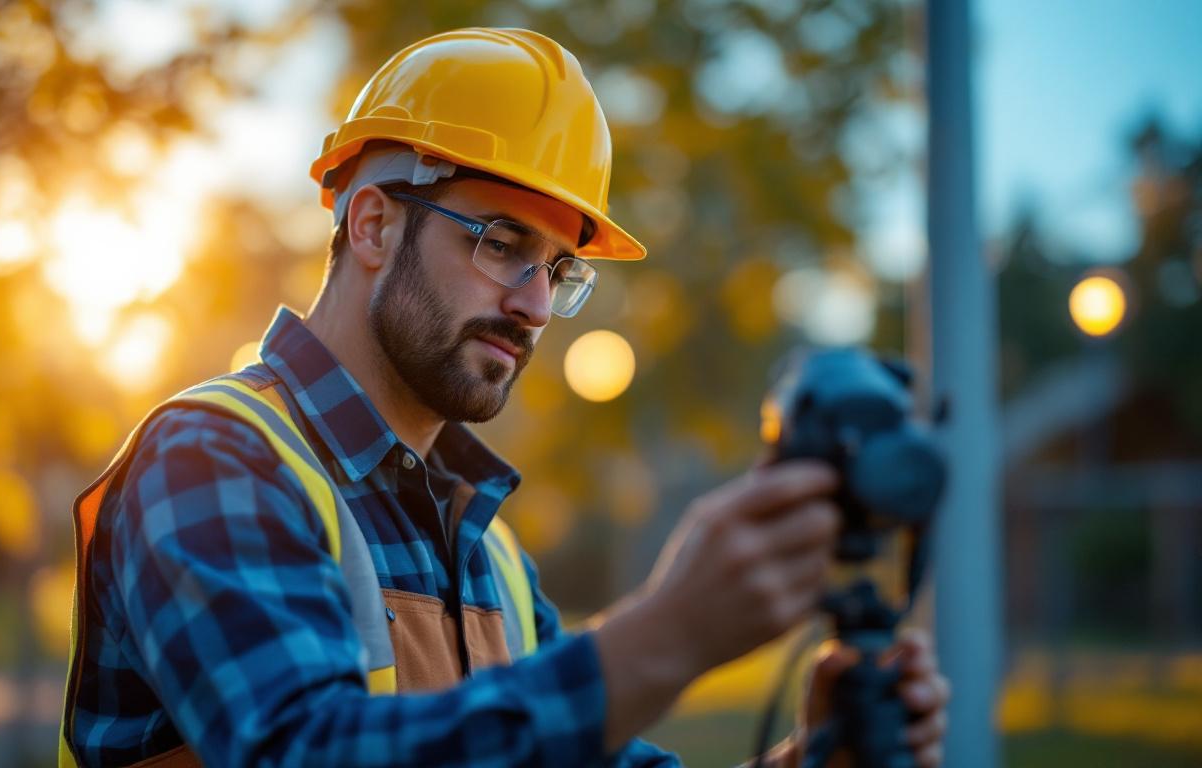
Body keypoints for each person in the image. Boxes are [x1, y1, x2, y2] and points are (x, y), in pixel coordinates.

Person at [59, 27, 949, 768]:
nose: (533, 305)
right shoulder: (212, 459)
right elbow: (308, 751)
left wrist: (810, 760)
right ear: (371, 223)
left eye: (559, 270)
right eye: (500, 242)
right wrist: (669, 631)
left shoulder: (492, 560)